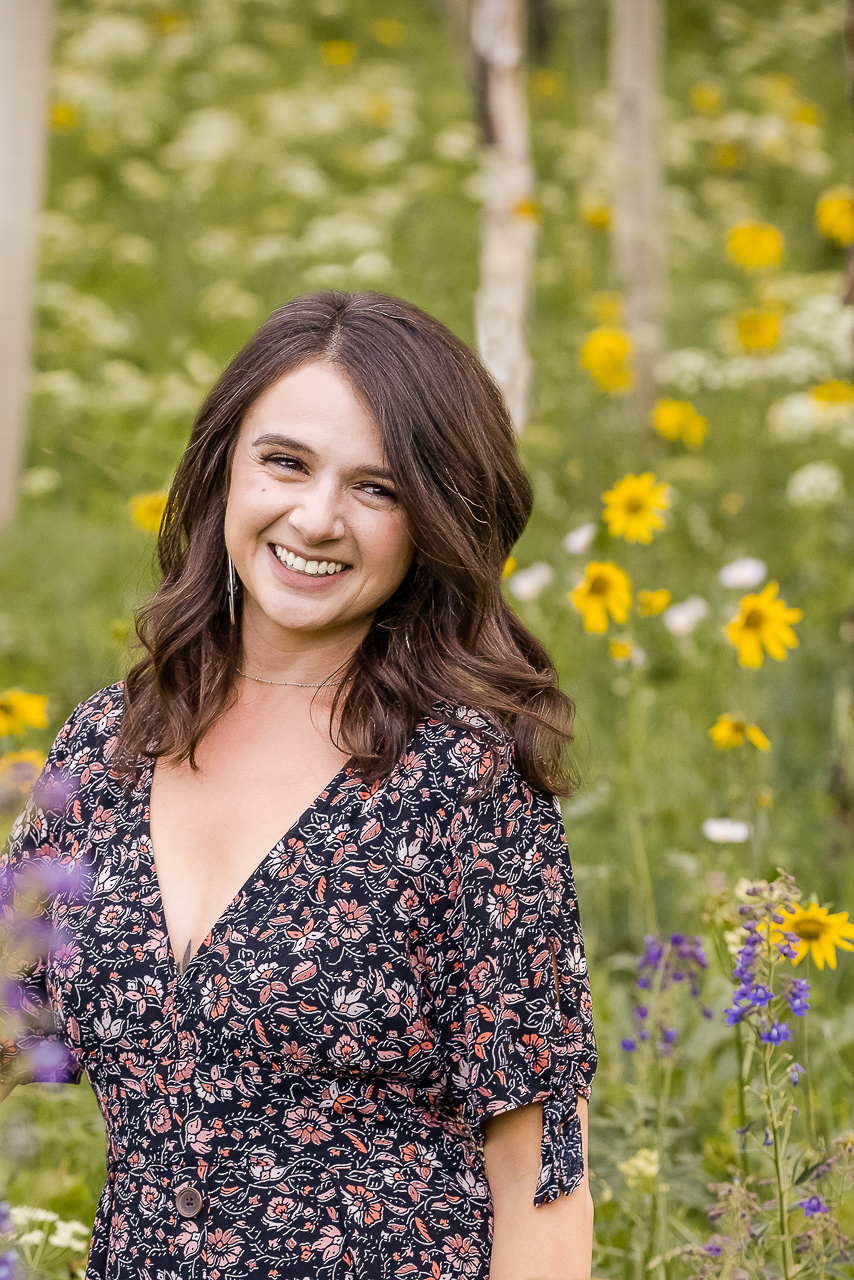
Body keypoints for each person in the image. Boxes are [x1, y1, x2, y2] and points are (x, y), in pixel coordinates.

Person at [1, 291, 597, 1280]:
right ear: (224, 467)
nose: (316, 518)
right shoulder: (109, 745)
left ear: (429, 520)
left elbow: (543, 1175)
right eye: (286, 461)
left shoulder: (465, 784)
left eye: (377, 487)